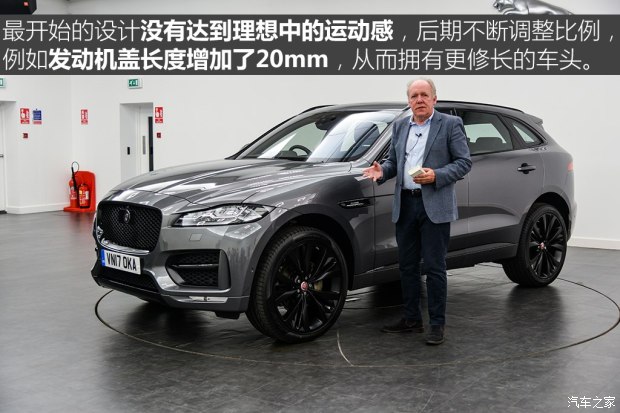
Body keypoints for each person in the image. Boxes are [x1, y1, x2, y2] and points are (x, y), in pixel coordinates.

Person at [362, 78, 471, 345]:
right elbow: (394, 162)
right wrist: (382, 171)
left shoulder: (450, 124)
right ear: (408, 101)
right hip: (406, 204)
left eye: (424, 95)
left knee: (434, 267)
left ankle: (437, 324)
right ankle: (412, 319)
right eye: (414, 96)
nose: (419, 100)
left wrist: (436, 175)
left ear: (434, 98)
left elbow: (463, 162)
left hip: (433, 205)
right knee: (407, 266)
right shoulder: (400, 126)